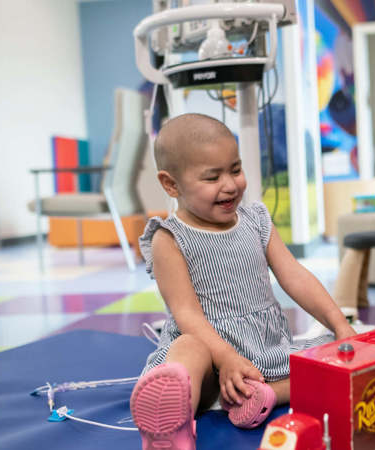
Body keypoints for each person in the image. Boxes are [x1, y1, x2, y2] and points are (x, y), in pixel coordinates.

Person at [129, 113, 356, 449]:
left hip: (263, 351)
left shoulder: (256, 219)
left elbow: (295, 276)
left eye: (235, 169)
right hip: (206, 353)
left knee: (329, 361)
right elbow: (187, 315)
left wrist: (340, 325)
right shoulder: (170, 239)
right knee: (188, 350)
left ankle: (263, 395)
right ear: (171, 184)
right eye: (212, 177)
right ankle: (170, 430)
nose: (231, 184)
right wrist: (225, 357)